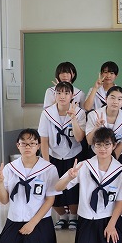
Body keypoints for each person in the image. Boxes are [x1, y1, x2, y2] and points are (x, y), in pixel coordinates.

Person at [0, 129, 62, 243]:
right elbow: (4, 200)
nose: (28, 147)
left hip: (39, 221)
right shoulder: (9, 168)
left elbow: (50, 200)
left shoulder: (49, 169)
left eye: (32, 143)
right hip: (15, 219)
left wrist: (32, 224)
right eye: (24, 143)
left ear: (38, 145)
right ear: (18, 145)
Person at [56, 127, 122, 243]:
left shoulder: (121, 170)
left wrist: (112, 225)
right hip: (88, 219)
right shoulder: (84, 166)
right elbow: (58, 187)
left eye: (107, 145)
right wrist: (69, 178)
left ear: (114, 145)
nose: (102, 149)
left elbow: (120, 202)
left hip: (110, 219)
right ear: (93, 146)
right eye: (98, 145)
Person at [39, 81, 86, 230]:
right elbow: (44, 139)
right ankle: (62, 216)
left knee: (73, 189)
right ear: (54, 95)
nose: (62, 96)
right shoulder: (47, 113)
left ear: (72, 95)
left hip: (74, 154)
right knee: (53, 187)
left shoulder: (79, 112)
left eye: (66, 93)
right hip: (54, 156)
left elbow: (79, 138)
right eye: (59, 93)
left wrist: (73, 119)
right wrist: (46, 163)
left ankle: (73, 216)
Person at [85, 86, 122, 177]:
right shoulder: (94, 115)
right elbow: (90, 141)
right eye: (112, 98)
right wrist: (96, 127)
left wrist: (112, 162)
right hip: (96, 154)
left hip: (119, 156)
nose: (115, 102)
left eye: (119, 99)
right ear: (106, 98)